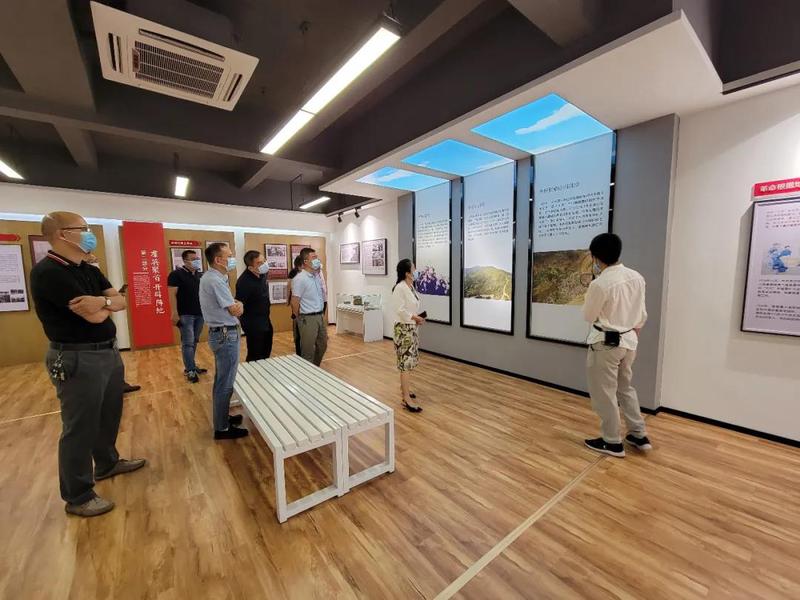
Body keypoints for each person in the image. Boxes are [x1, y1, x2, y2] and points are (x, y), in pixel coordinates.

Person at [30, 212, 146, 518]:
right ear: (62, 234)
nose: (89, 233)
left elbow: (120, 301)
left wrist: (103, 302)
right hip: (77, 357)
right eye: (83, 229)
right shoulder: (49, 272)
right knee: (80, 426)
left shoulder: (87, 269)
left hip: (107, 352)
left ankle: (107, 463)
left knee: (109, 414)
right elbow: (93, 316)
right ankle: (78, 494)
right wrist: (106, 304)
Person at [582, 233, 651, 458]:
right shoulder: (637, 277)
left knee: (604, 393)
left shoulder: (600, 284)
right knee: (625, 388)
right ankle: (638, 434)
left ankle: (612, 441)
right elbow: (641, 315)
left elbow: (589, 316)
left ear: (596, 256)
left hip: (605, 344)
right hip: (629, 342)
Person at [199, 242, 248, 439]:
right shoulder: (215, 280)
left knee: (223, 379)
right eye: (229, 256)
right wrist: (240, 304)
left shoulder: (214, 277)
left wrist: (237, 304)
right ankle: (222, 428)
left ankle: (222, 418)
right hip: (225, 334)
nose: (233, 258)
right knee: (225, 383)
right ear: (218, 260)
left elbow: (231, 303)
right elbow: (234, 309)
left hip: (222, 333)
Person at [88, 253, 140, 394]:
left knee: (116, 364)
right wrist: (110, 305)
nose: (94, 261)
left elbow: (119, 303)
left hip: (107, 333)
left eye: (96, 259)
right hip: (91, 337)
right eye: (92, 260)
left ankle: (120, 384)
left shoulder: (97, 277)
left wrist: (110, 302)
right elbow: (96, 314)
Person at [168, 249, 207, 383]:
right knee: (188, 342)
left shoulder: (200, 275)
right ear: (185, 261)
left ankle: (192, 365)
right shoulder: (176, 274)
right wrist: (174, 312)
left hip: (200, 313)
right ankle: (190, 370)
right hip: (185, 314)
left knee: (194, 340)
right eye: (193, 259)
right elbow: (172, 294)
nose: (196, 261)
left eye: (197, 258)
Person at [392, 259, 425, 412]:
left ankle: (404, 390)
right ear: (407, 273)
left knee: (409, 362)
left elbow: (411, 307)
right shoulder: (400, 288)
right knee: (405, 364)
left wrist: (416, 318)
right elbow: (400, 310)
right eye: (413, 268)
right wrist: (414, 317)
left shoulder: (410, 287)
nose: (416, 270)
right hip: (403, 330)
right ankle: (406, 399)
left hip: (411, 328)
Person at [290, 248, 327, 366]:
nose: (317, 260)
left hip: (320, 316)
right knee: (308, 350)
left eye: (317, 257)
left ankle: (313, 369)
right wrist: (298, 318)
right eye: (314, 257)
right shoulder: (299, 279)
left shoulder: (316, 276)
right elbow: (295, 301)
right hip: (307, 318)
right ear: (305, 261)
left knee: (322, 345)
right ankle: (307, 372)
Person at [236, 250, 273, 361]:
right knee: (255, 355)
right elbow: (239, 305)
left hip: (265, 319)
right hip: (253, 323)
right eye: (259, 263)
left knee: (266, 350)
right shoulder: (244, 282)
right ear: (251, 268)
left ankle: (264, 370)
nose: (264, 264)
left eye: (264, 261)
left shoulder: (262, 274)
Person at [287, 255, 304, 355]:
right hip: (296, 300)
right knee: (296, 322)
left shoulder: (306, 273)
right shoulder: (293, 273)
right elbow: (288, 287)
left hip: (304, 301)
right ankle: (298, 344)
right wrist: (287, 300)